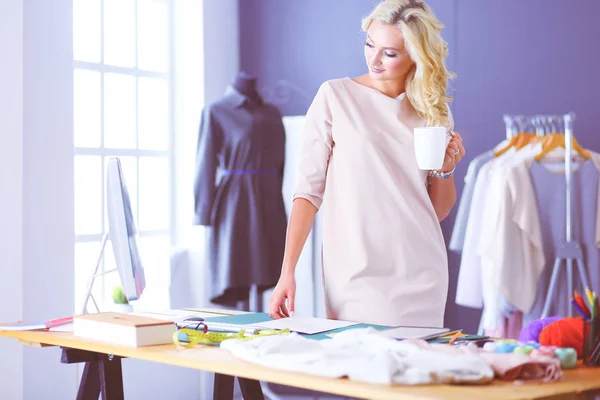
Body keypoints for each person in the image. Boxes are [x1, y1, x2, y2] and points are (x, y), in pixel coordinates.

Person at [268, 0, 466, 327]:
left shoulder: (433, 111)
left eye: (389, 53)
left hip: (421, 270)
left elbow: (438, 210)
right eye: (370, 44)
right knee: (361, 371)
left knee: (416, 374)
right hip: (355, 272)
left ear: (416, 55)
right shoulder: (335, 97)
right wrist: (287, 272)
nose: (374, 59)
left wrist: (447, 168)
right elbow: (307, 192)